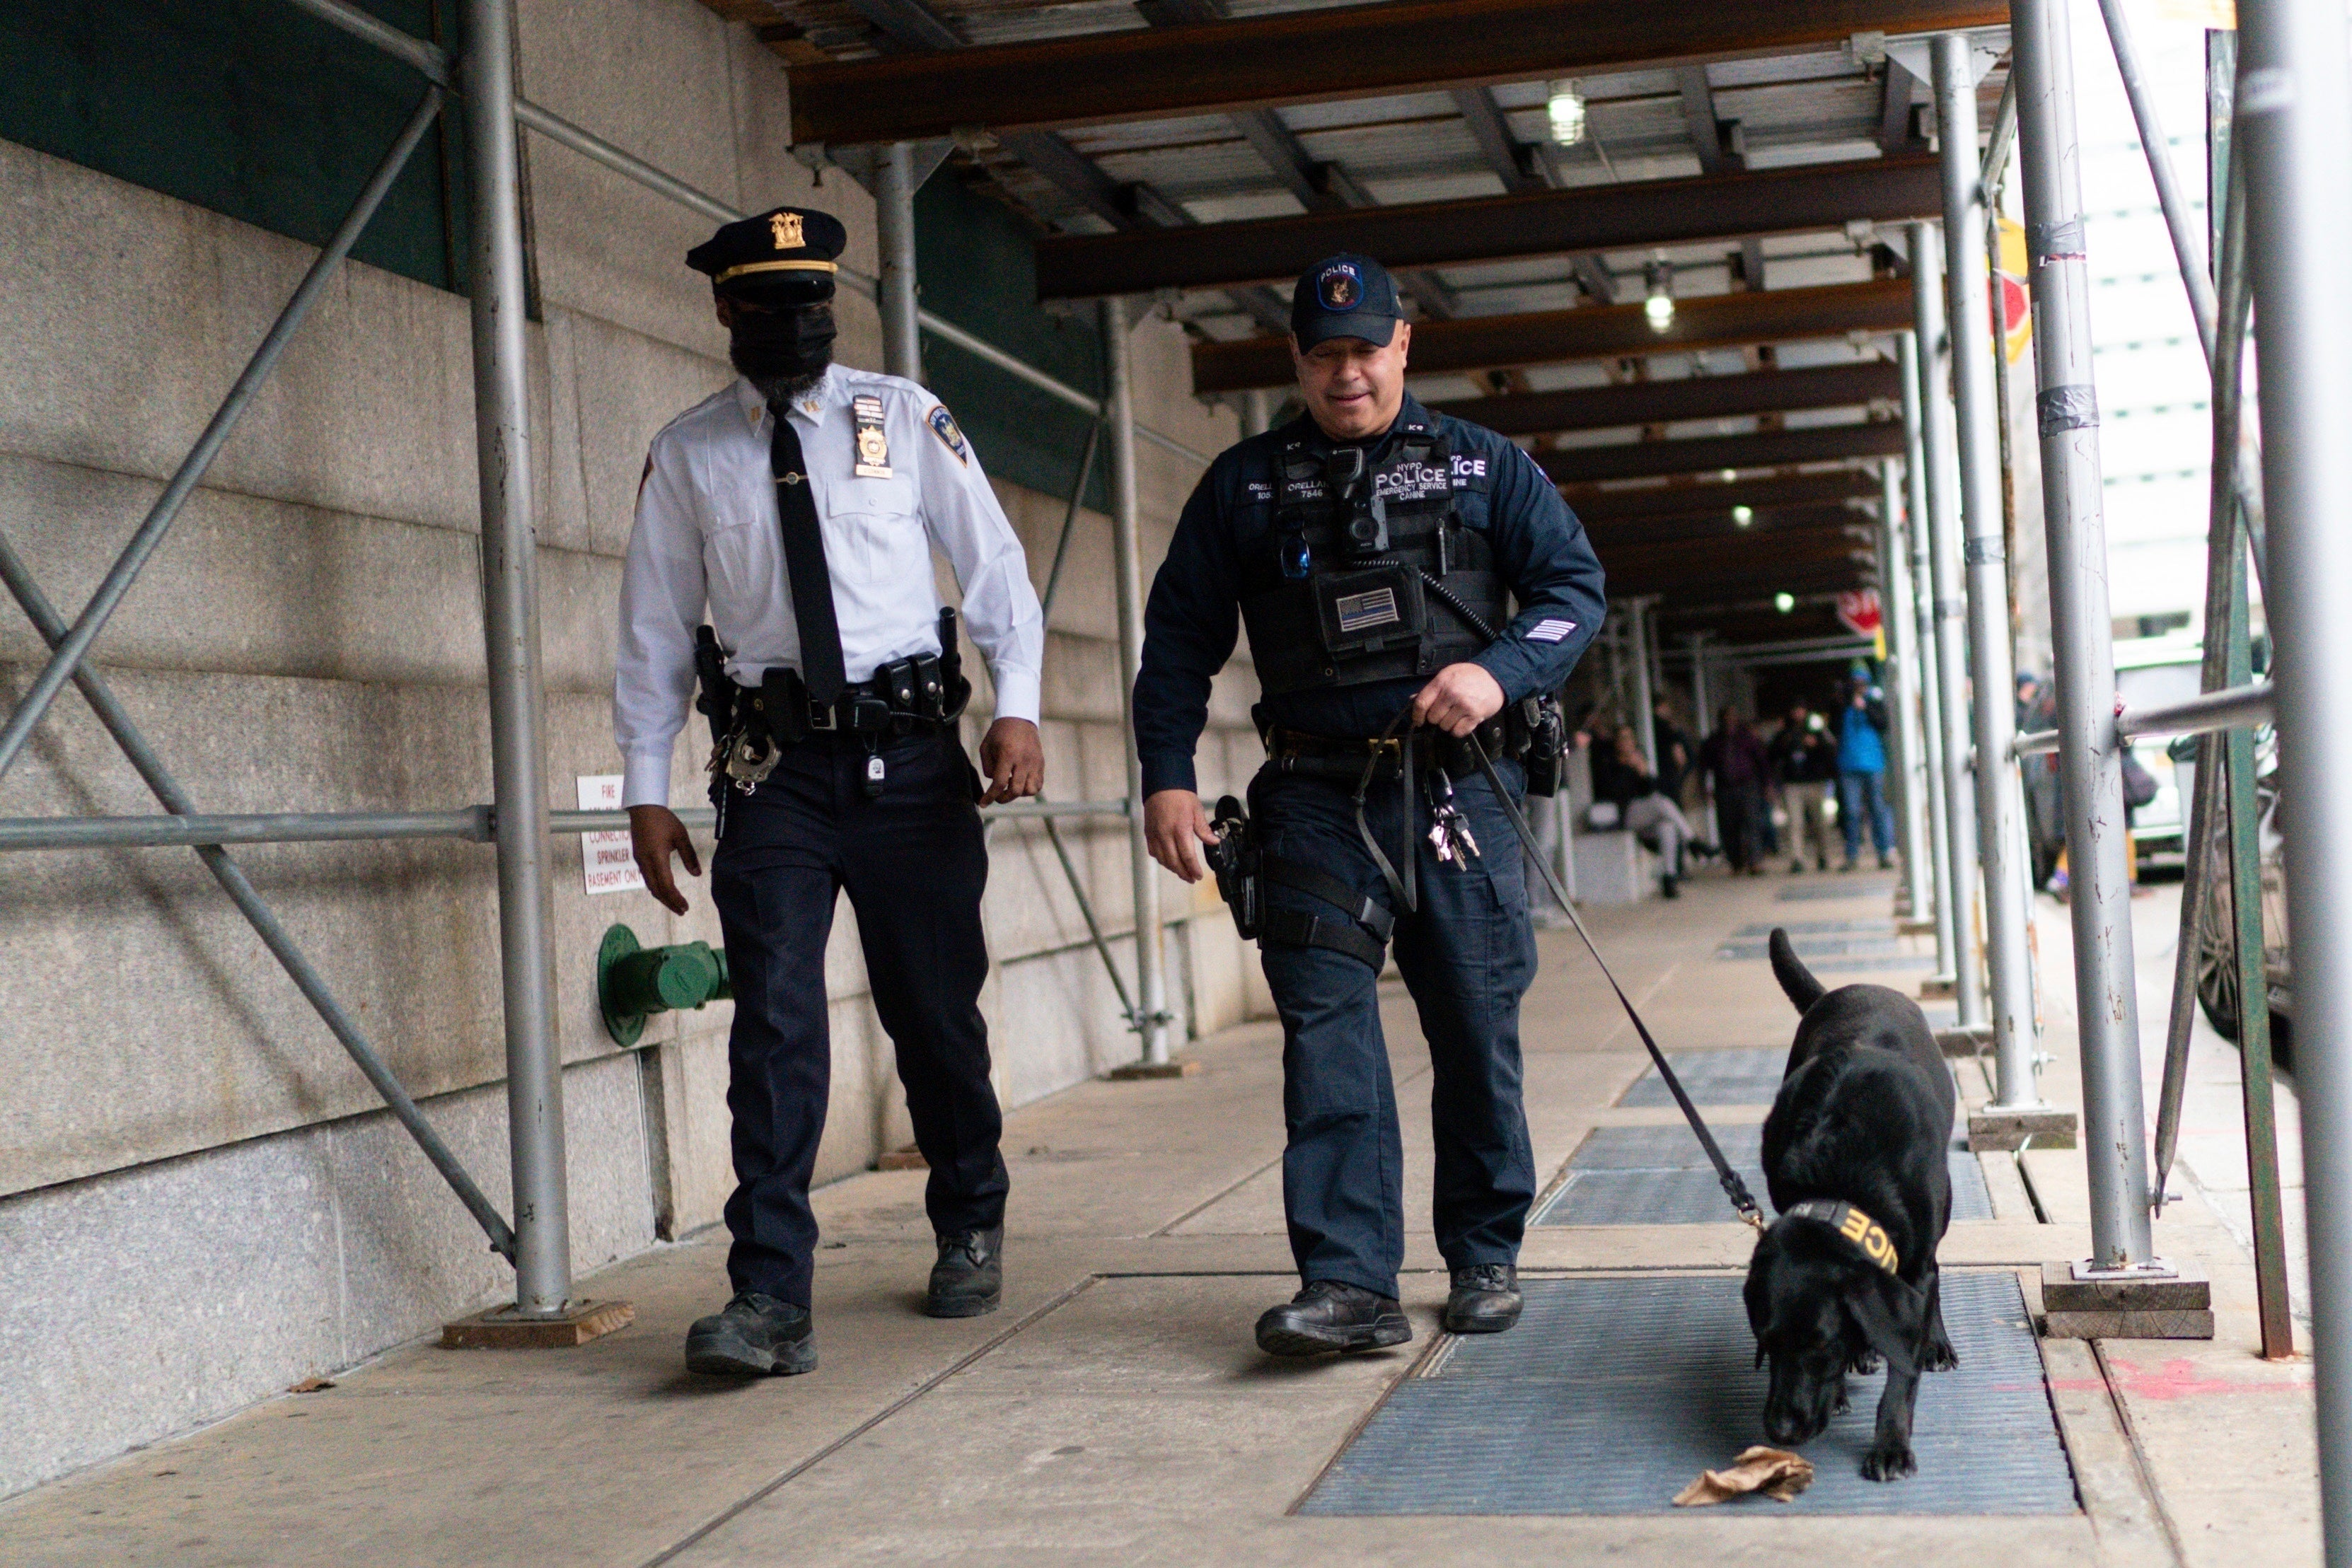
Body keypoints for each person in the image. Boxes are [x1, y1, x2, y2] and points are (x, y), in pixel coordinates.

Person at [1133, 252, 1606, 1356]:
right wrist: (1163, 771)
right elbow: (1180, 643)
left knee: (1476, 1026)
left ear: (1404, 347)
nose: (1346, 373)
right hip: (1312, 797)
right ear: (1297, 361)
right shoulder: (1243, 486)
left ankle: (1484, 1252)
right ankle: (1349, 1285)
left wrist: (1498, 672)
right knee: (1324, 1035)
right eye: (1323, 354)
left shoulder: (1486, 469)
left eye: (1365, 350)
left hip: (1456, 788)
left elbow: (1573, 590)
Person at [615, 207, 1047, 1378]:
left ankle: (968, 1206)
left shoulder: (902, 418)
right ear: (725, 309)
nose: (795, 324)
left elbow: (994, 561)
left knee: (932, 1010)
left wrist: (1019, 702)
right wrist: (645, 789)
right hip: (775, 775)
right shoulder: (690, 453)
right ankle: (768, 1296)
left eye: (813, 302)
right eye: (768, 305)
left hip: (912, 764)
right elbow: (654, 632)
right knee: (777, 1028)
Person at [1591, 725, 1696, 897]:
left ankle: (1669, 878)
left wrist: (1644, 773)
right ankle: (1692, 840)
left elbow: (1650, 791)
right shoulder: (1609, 762)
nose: (1627, 743)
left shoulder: (1638, 759)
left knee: (1667, 826)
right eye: (1623, 738)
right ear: (1617, 743)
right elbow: (1614, 792)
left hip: (1643, 817)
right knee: (1661, 803)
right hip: (1622, 815)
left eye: (1630, 738)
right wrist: (1626, 768)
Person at [1698, 706, 1772, 874]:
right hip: (1724, 788)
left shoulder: (1747, 738)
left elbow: (1762, 762)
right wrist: (1705, 788)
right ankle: (1736, 862)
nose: (1729, 722)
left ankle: (1755, 862)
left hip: (1748, 786)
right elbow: (1703, 766)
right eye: (1726, 719)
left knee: (1752, 823)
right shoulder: (1714, 741)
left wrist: (1767, 784)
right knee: (1728, 827)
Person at [1768, 700, 1839, 873]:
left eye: (1801, 710)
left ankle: (1824, 856)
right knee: (1795, 823)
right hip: (1793, 783)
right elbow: (1772, 754)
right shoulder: (1785, 731)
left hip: (1815, 781)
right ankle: (1797, 859)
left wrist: (1817, 744)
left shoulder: (1817, 728)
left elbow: (1831, 749)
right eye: (1795, 710)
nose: (1798, 714)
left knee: (1820, 822)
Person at [1836, 678, 1897, 871]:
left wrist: (1866, 708)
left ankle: (1883, 852)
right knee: (1851, 812)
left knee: (1878, 809)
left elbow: (1883, 724)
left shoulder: (1874, 702)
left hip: (1873, 764)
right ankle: (1852, 855)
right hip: (1849, 765)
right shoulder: (1842, 705)